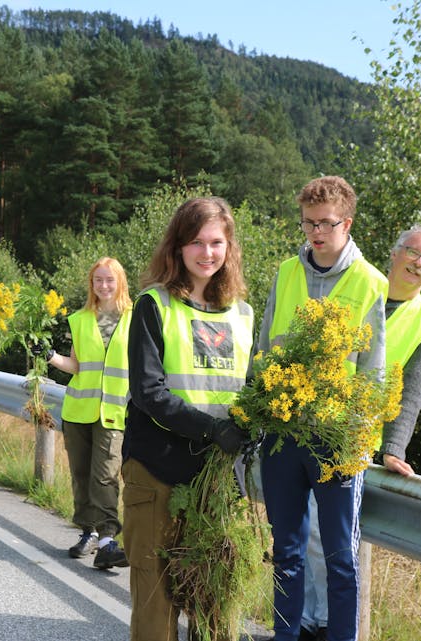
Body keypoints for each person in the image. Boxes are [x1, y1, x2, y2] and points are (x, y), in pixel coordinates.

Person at [299, 225, 421, 640]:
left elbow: (413, 395)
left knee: (325, 537)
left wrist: (394, 447)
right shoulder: (360, 286)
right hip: (313, 424)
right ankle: (307, 619)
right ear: (395, 252)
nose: (418, 264)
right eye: (413, 253)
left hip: (355, 441)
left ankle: (325, 624)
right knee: (301, 533)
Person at [255, 176, 387, 641]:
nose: (314, 232)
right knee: (286, 551)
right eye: (308, 223)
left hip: (336, 441)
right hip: (282, 433)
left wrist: (362, 441)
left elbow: (374, 371)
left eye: (324, 223)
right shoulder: (287, 271)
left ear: (346, 223)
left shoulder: (370, 281)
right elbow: (266, 343)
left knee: (340, 559)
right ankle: (285, 636)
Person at [121, 196, 254, 641]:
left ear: (229, 247)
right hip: (157, 470)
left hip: (217, 480)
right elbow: (148, 393)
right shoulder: (153, 305)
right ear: (177, 248)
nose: (207, 252)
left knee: (215, 601)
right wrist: (213, 430)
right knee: (156, 600)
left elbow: (250, 389)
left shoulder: (243, 314)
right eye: (196, 242)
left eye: (216, 242)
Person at [37, 257, 133, 570]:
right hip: (79, 410)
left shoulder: (135, 318)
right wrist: (51, 357)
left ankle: (107, 540)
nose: (104, 286)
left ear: (120, 282)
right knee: (81, 475)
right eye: (98, 280)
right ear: (91, 284)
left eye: (109, 280)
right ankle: (88, 533)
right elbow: (76, 366)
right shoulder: (80, 319)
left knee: (105, 475)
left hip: (114, 411)